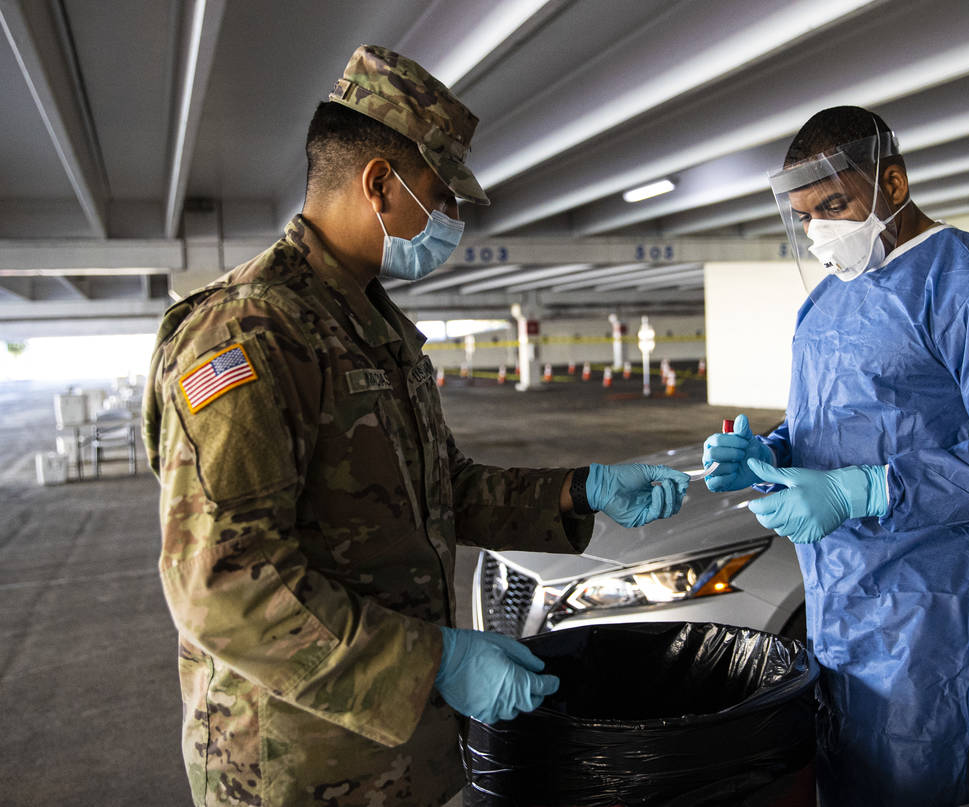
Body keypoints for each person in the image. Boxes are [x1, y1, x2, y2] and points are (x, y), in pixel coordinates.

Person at [142, 45, 689, 807]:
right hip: (294, 764)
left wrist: (579, 489)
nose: (452, 220)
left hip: (400, 752)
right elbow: (222, 585)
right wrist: (433, 661)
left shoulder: (370, 324)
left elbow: (436, 490)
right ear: (378, 184)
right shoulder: (250, 335)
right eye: (441, 194)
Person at [702, 106, 969, 806]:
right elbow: (850, 418)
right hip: (844, 602)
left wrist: (869, 491)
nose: (819, 231)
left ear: (894, 184)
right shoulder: (827, 304)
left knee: (943, 776)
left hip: (945, 606)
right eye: (806, 215)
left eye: (835, 204)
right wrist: (768, 450)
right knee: (855, 779)